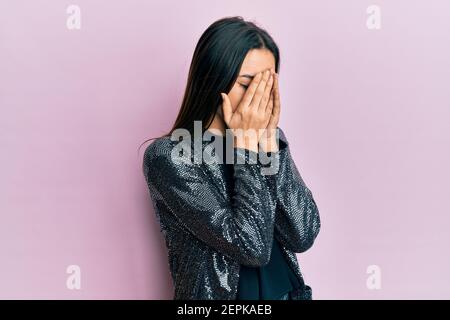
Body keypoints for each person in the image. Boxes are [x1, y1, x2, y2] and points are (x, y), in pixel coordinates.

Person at [141, 16, 321, 300]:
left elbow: (303, 233)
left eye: (266, 85)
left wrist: (269, 143)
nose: (258, 98)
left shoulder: (269, 139)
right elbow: (251, 247)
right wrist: (247, 146)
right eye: (247, 84)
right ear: (215, 79)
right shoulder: (171, 156)